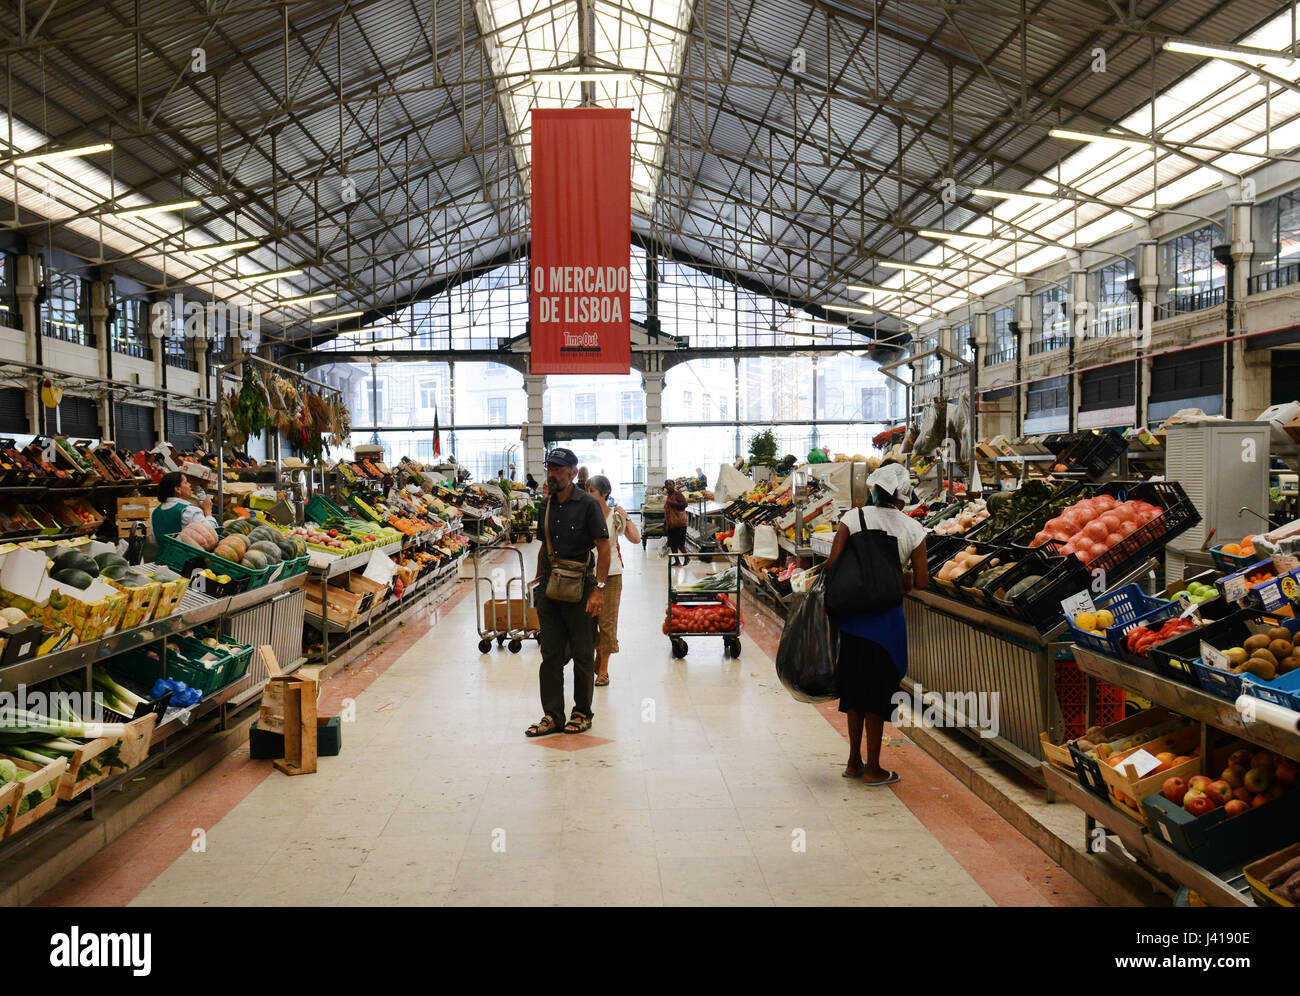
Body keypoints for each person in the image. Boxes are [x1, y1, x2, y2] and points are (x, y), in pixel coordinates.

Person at [823, 462, 928, 786]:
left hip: (853, 619)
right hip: (886, 624)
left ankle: (853, 761)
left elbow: (832, 565)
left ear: (874, 490)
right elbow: (922, 581)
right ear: (903, 495)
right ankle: (874, 767)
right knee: (878, 693)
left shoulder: (852, 518)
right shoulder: (912, 529)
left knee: (854, 690)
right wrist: (902, 577)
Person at [525, 447, 611, 738]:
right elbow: (542, 546)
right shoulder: (545, 505)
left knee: (583, 653)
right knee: (550, 654)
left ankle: (582, 712)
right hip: (550, 587)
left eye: (559, 470)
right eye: (550, 468)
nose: (553, 474)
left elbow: (603, 547)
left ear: (574, 473)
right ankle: (552, 714)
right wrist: (536, 583)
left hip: (581, 587)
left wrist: (599, 589)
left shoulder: (588, 504)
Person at [585, 475, 640, 686]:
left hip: (611, 575)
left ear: (604, 493)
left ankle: (604, 671)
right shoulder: (583, 515)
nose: (588, 495)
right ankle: (592, 661)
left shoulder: (613, 516)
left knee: (607, 623)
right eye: (586, 491)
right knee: (587, 623)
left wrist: (625, 516)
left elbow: (635, 539)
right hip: (587, 574)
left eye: (592, 491)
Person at [151, 471, 218, 540]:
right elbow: (211, 534)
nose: (189, 485)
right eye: (186, 482)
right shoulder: (189, 510)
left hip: (163, 550)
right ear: (178, 489)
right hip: (185, 551)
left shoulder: (155, 512)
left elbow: (152, 540)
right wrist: (208, 511)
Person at [663, 481, 689, 567]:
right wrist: (665, 524)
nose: (668, 487)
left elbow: (685, 504)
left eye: (670, 485)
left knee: (680, 544)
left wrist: (672, 504)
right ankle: (677, 561)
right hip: (671, 523)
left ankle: (686, 558)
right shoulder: (669, 495)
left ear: (673, 485)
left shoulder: (677, 494)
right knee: (672, 544)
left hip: (679, 523)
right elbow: (667, 511)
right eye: (666, 485)